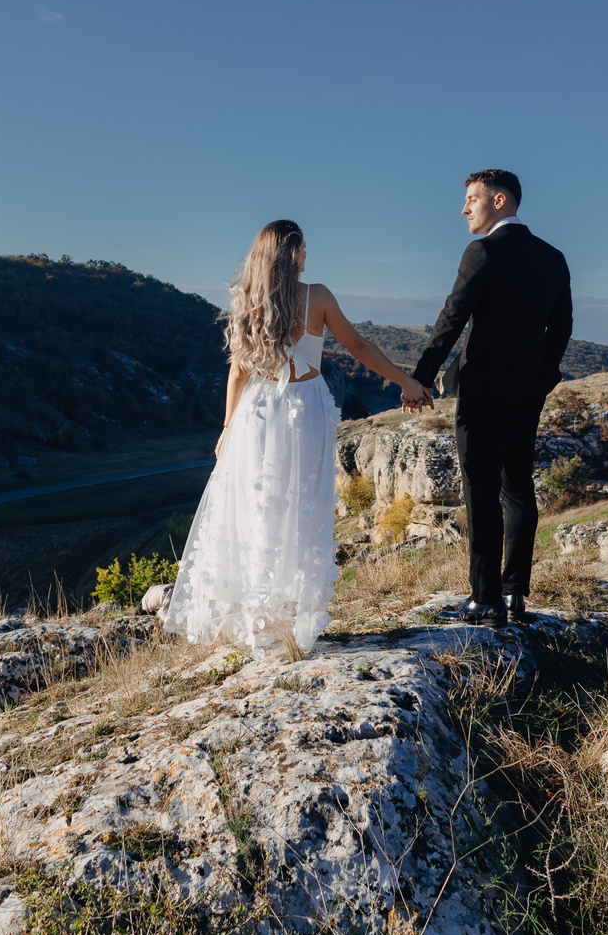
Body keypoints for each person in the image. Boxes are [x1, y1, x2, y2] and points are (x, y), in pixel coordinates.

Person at [160, 220, 433, 657]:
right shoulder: (317, 296)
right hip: (303, 408)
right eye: (304, 248)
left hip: (256, 410)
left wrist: (228, 427)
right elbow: (359, 347)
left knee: (256, 508)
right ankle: (285, 619)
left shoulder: (248, 299)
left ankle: (260, 622)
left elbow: (237, 372)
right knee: (297, 507)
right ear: (292, 253)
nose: (308, 255)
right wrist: (406, 381)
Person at [411, 169, 572, 627]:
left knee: (480, 490)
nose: (464, 209)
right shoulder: (553, 257)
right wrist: (544, 376)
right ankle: (515, 593)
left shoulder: (482, 250)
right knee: (518, 486)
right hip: (529, 388)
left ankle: (485, 600)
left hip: (482, 389)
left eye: (471, 199)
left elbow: (452, 317)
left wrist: (422, 377)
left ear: (499, 201)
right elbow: (561, 328)